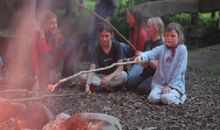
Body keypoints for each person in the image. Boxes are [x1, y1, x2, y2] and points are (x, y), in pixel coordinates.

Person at [135, 22, 187, 105]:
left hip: (175, 85)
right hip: (160, 84)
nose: (169, 38)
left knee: (165, 98)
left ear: (179, 37)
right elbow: (150, 53)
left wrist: (170, 86)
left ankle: (181, 98)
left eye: (172, 36)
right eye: (167, 36)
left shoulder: (182, 49)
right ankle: (165, 96)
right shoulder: (162, 48)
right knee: (152, 98)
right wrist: (141, 57)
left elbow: (180, 70)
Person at [31, 10, 76, 91]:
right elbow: (35, 57)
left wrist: (57, 39)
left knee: (70, 43)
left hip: (51, 59)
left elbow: (56, 50)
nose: (55, 25)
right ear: (44, 24)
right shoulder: (37, 34)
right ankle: (43, 81)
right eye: (51, 23)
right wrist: (36, 79)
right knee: (45, 56)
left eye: (55, 22)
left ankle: (66, 79)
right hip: (42, 64)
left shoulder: (54, 32)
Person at [79, 24, 127, 93]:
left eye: (107, 36)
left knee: (123, 76)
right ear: (99, 35)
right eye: (102, 36)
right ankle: (108, 87)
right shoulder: (96, 49)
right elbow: (92, 68)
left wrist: (108, 78)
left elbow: (120, 67)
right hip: (100, 76)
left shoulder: (117, 46)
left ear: (111, 35)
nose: (104, 39)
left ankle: (99, 87)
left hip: (113, 76)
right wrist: (87, 85)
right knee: (82, 76)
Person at [126, 17, 165, 95]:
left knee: (141, 89)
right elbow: (145, 65)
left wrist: (145, 56)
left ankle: (162, 86)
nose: (146, 29)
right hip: (146, 73)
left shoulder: (162, 45)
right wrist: (140, 58)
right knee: (129, 84)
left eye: (148, 27)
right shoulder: (147, 43)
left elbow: (158, 66)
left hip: (156, 76)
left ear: (156, 29)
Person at [123, 7, 149, 78]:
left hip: (142, 59)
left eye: (130, 18)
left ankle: (128, 74)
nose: (127, 20)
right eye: (127, 18)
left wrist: (129, 59)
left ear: (137, 19)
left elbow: (141, 54)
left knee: (131, 78)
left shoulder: (142, 34)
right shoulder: (133, 29)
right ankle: (123, 70)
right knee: (121, 46)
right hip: (134, 54)